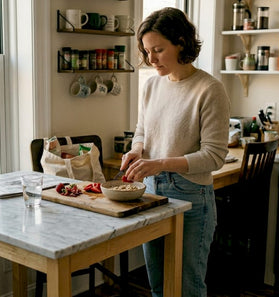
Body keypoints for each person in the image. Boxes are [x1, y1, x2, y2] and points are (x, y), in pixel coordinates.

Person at [120, 7, 230, 297]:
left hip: (192, 196)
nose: (151, 59)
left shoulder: (209, 89)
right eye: (146, 51)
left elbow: (214, 157)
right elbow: (142, 130)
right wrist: (137, 150)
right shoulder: (152, 86)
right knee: (159, 285)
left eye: (158, 50)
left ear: (181, 42)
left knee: (186, 287)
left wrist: (160, 163)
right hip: (152, 192)